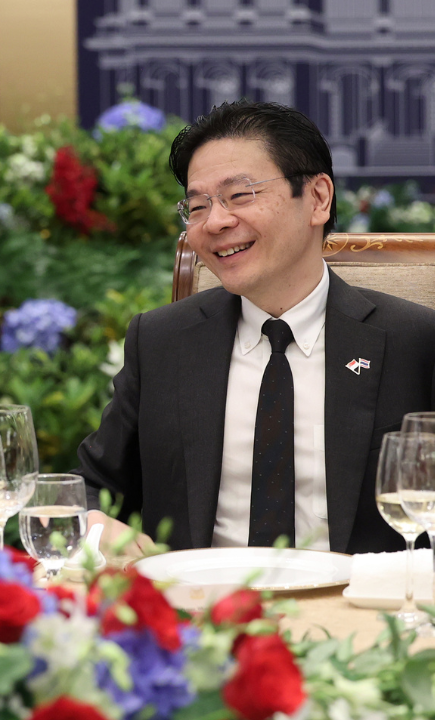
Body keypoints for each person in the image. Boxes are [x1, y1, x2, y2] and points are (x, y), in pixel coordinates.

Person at [78, 100, 435, 555]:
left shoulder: (415, 340)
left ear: (318, 199)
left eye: (240, 195)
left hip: (361, 611)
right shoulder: (163, 341)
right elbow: (90, 487)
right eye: (198, 205)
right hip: (204, 612)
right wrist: (95, 527)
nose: (216, 222)